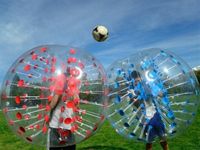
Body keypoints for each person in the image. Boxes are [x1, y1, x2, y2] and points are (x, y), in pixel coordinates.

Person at [129, 70, 169, 150]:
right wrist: (134, 101)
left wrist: (157, 92)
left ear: (140, 78)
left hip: (155, 115)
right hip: (145, 119)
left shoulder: (148, 85)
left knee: (163, 138)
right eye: (134, 81)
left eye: (137, 80)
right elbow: (135, 105)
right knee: (149, 141)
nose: (136, 83)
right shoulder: (132, 91)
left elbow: (161, 94)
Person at [47, 72, 77, 150]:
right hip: (61, 124)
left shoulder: (71, 87)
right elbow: (51, 106)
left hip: (62, 125)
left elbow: (77, 103)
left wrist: (72, 88)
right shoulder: (58, 88)